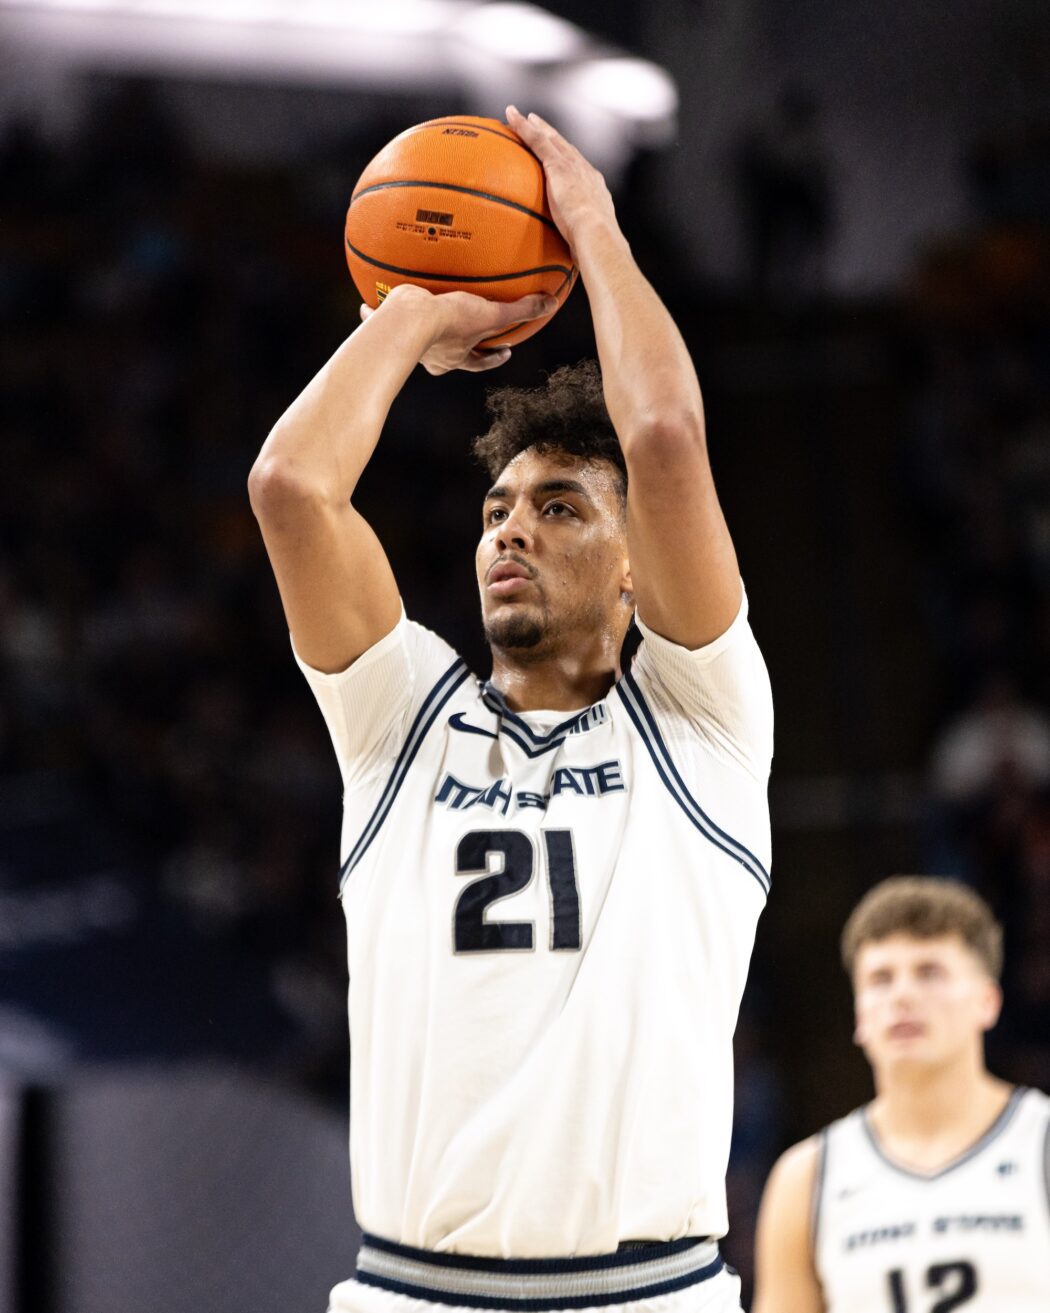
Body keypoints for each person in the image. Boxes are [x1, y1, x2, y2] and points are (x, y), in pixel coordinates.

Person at [249, 105, 773, 1313]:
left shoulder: (702, 721)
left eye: (560, 508)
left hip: (649, 1291)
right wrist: (416, 314)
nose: (512, 531)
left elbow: (663, 432)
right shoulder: (398, 722)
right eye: (496, 512)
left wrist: (591, 227)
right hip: (413, 1292)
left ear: (637, 564)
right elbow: (289, 486)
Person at [752, 876, 1050, 1313]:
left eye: (929, 973)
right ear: (859, 1015)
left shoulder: (1040, 1140)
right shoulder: (807, 1177)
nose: (903, 996)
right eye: (881, 979)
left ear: (988, 1002)